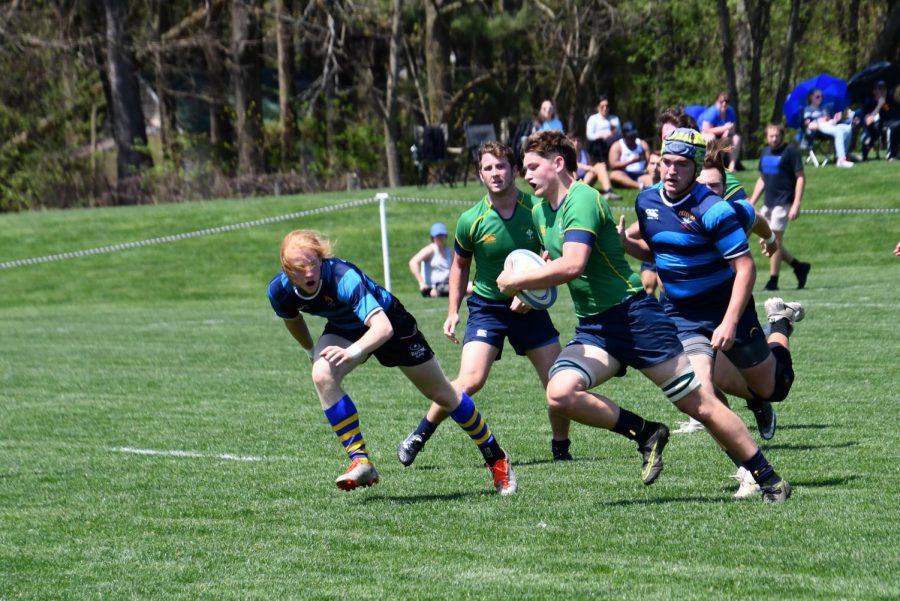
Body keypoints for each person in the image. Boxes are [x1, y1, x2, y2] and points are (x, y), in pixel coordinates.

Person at [498, 130, 792, 502]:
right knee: (559, 393)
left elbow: (573, 264)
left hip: (636, 318)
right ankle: (647, 432)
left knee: (701, 403)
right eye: (665, 162)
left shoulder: (584, 199)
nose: (526, 175)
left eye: (532, 167)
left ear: (558, 163)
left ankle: (769, 478)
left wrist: (518, 281)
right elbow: (557, 259)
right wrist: (530, 293)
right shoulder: (542, 211)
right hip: (595, 326)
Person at [268, 229, 517, 495]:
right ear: (287, 270)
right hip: (345, 328)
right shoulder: (280, 290)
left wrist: (353, 352)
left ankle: (496, 457)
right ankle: (360, 460)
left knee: (443, 394)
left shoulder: (342, 277)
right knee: (321, 375)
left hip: (390, 323)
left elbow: (382, 327)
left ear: (321, 258)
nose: (309, 272)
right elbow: (292, 319)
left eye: (313, 262)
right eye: (300, 267)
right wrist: (310, 350)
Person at [625, 128, 802, 500]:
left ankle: (780, 323)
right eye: (665, 163)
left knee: (774, 388)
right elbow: (658, 252)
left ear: (694, 168)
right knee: (701, 396)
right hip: (681, 316)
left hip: (728, 310)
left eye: (680, 165)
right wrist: (626, 243)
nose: (671, 171)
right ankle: (752, 471)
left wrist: (729, 321)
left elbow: (746, 268)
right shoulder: (647, 201)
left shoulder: (716, 210)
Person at [396, 141, 572, 465]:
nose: (496, 173)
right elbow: (459, 266)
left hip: (530, 308)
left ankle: (561, 448)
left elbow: (556, 256)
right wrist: (452, 311)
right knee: (471, 380)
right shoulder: (471, 220)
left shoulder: (537, 210)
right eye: (488, 168)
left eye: (501, 166)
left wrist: (533, 293)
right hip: (487, 308)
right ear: (480, 174)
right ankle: (420, 434)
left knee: (557, 380)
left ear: (514, 170)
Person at [749, 123, 811, 292]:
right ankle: (799, 266)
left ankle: (773, 281)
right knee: (766, 240)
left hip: (783, 203)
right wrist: (752, 201)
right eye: (771, 136)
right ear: (766, 136)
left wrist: (796, 203)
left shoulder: (790, 151)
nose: (774, 139)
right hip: (767, 203)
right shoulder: (765, 152)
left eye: (777, 136)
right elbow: (762, 179)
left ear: (782, 136)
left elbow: (800, 178)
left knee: (773, 240)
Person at [803, 88, 854, 168]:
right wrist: (818, 121)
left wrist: (834, 120)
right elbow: (808, 124)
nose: (820, 98)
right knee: (838, 131)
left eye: (821, 96)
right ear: (811, 97)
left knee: (847, 128)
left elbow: (829, 120)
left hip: (829, 125)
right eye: (817, 96)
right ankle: (841, 160)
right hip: (818, 128)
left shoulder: (823, 109)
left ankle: (843, 156)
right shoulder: (808, 109)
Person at [571, 134, 622, 202]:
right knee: (573, 170)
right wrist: (586, 167)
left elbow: (590, 168)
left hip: (584, 181)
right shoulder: (566, 154)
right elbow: (572, 165)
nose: (576, 143)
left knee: (600, 166)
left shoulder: (585, 154)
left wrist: (592, 169)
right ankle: (576, 192)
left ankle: (608, 191)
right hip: (573, 183)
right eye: (573, 140)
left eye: (578, 140)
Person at [699, 93, 743, 171]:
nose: (724, 103)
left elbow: (733, 128)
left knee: (736, 138)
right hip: (704, 134)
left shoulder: (730, 111)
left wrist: (728, 131)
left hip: (722, 135)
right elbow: (706, 129)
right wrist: (724, 128)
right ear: (716, 101)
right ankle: (711, 165)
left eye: (726, 101)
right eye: (721, 101)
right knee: (711, 137)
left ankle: (731, 167)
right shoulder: (712, 112)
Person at [408, 222, 453, 297]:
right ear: (433, 237)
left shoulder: (450, 252)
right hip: (432, 287)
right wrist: (421, 282)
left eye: (442, 235)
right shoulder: (430, 250)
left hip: (448, 283)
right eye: (437, 236)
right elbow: (413, 262)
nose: (440, 238)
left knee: (471, 287)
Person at [860, 80, 900, 160]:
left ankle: (896, 152)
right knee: (893, 128)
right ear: (874, 91)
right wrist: (879, 105)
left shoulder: (889, 101)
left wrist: (884, 104)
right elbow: (868, 121)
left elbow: (892, 112)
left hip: (893, 123)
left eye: (884, 89)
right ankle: (891, 155)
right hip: (875, 129)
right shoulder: (870, 104)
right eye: (880, 89)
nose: (883, 91)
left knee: (896, 125)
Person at [607, 121, 650, 191]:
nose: (633, 139)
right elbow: (613, 165)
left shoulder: (642, 144)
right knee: (614, 175)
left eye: (634, 136)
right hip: (625, 174)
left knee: (654, 178)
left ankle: (641, 183)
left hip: (641, 173)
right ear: (624, 136)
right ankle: (639, 185)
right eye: (630, 137)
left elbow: (649, 161)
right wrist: (632, 161)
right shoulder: (617, 146)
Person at [585, 96, 621, 163]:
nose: (605, 108)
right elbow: (589, 135)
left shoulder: (614, 119)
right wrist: (601, 136)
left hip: (612, 140)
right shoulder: (593, 119)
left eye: (607, 106)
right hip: (598, 142)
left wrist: (612, 134)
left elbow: (619, 132)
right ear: (598, 107)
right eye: (602, 106)